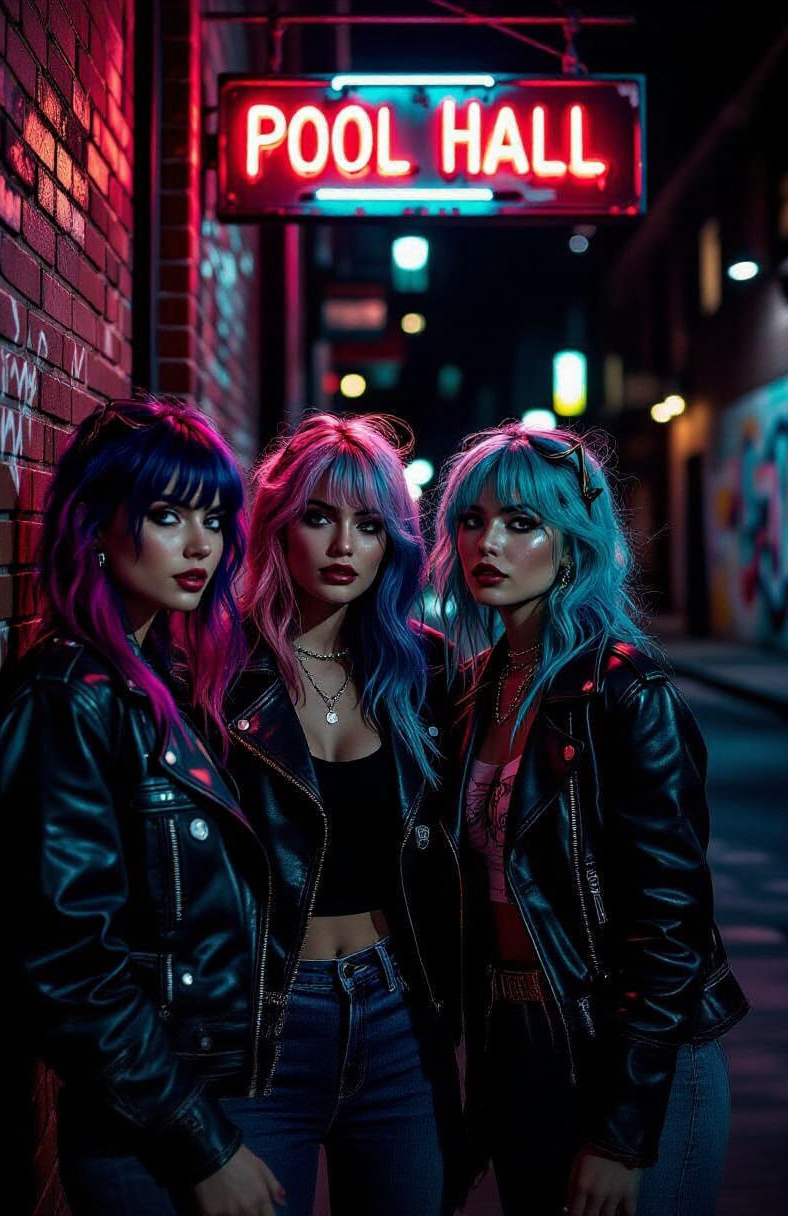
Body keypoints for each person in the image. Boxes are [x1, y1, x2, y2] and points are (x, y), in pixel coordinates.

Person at [0, 397, 286, 1216]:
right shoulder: (68, 697)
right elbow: (69, 962)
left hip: (185, 1095)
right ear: (97, 525)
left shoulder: (160, 683)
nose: (199, 545)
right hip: (142, 1134)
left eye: (214, 519)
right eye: (166, 514)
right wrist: (202, 1145)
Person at [430, 422, 748, 1216]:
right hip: (520, 1048)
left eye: (520, 523)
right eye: (472, 520)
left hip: (630, 1054)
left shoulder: (625, 694)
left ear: (571, 542)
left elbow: (671, 927)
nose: (488, 544)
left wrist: (620, 1131)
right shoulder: (470, 690)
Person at [219, 412, 463, 1216]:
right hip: (265, 1021)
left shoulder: (425, 668)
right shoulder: (220, 671)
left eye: (367, 524)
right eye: (320, 518)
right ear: (281, 524)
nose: (342, 546)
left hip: (398, 1017)